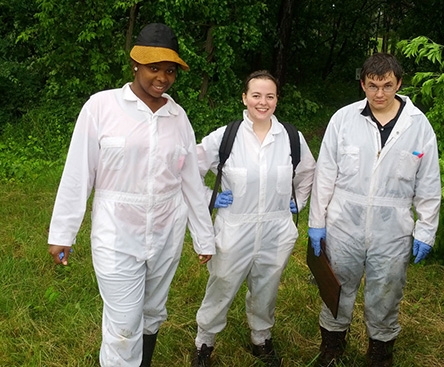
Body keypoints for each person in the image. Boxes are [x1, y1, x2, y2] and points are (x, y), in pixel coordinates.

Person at [47, 23, 216, 367]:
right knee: (123, 324)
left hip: (167, 229)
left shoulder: (177, 116)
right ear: (135, 65)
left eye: (170, 71)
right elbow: (79, 172)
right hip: (116, 231)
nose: (163, 78)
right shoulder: (101, 107)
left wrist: (204, 237)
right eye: (154, 68)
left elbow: (189, 182)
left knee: (152, 312)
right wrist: (63, 232)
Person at [308, 53, 441, 367]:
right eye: (372, 86)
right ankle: (332, 347)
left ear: (399, 83)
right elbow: (325, 173)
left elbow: (429, 182)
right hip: (343, 224)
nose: (379, 94)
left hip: (392, 229)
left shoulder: (418, 127)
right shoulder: (343, 119)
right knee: (336, 287)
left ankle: (380, 353)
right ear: (362, 84)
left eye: (387, 85)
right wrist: (317, 222)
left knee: (386, 291)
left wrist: (426, 229)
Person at [191, 70, 316, 367]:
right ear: (244, 98)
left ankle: (261, 337)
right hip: (234, 226)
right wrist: (209, 196)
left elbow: (309, 171)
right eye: (256, 95)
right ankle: (204, 342)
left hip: (276, 228)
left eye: (270, 96)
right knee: (221, 284)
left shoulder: (290, 137)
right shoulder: (227, 136)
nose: (263, 102)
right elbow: (189, 168)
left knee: (267, 286)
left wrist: (298, 200)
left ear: (277, 100)